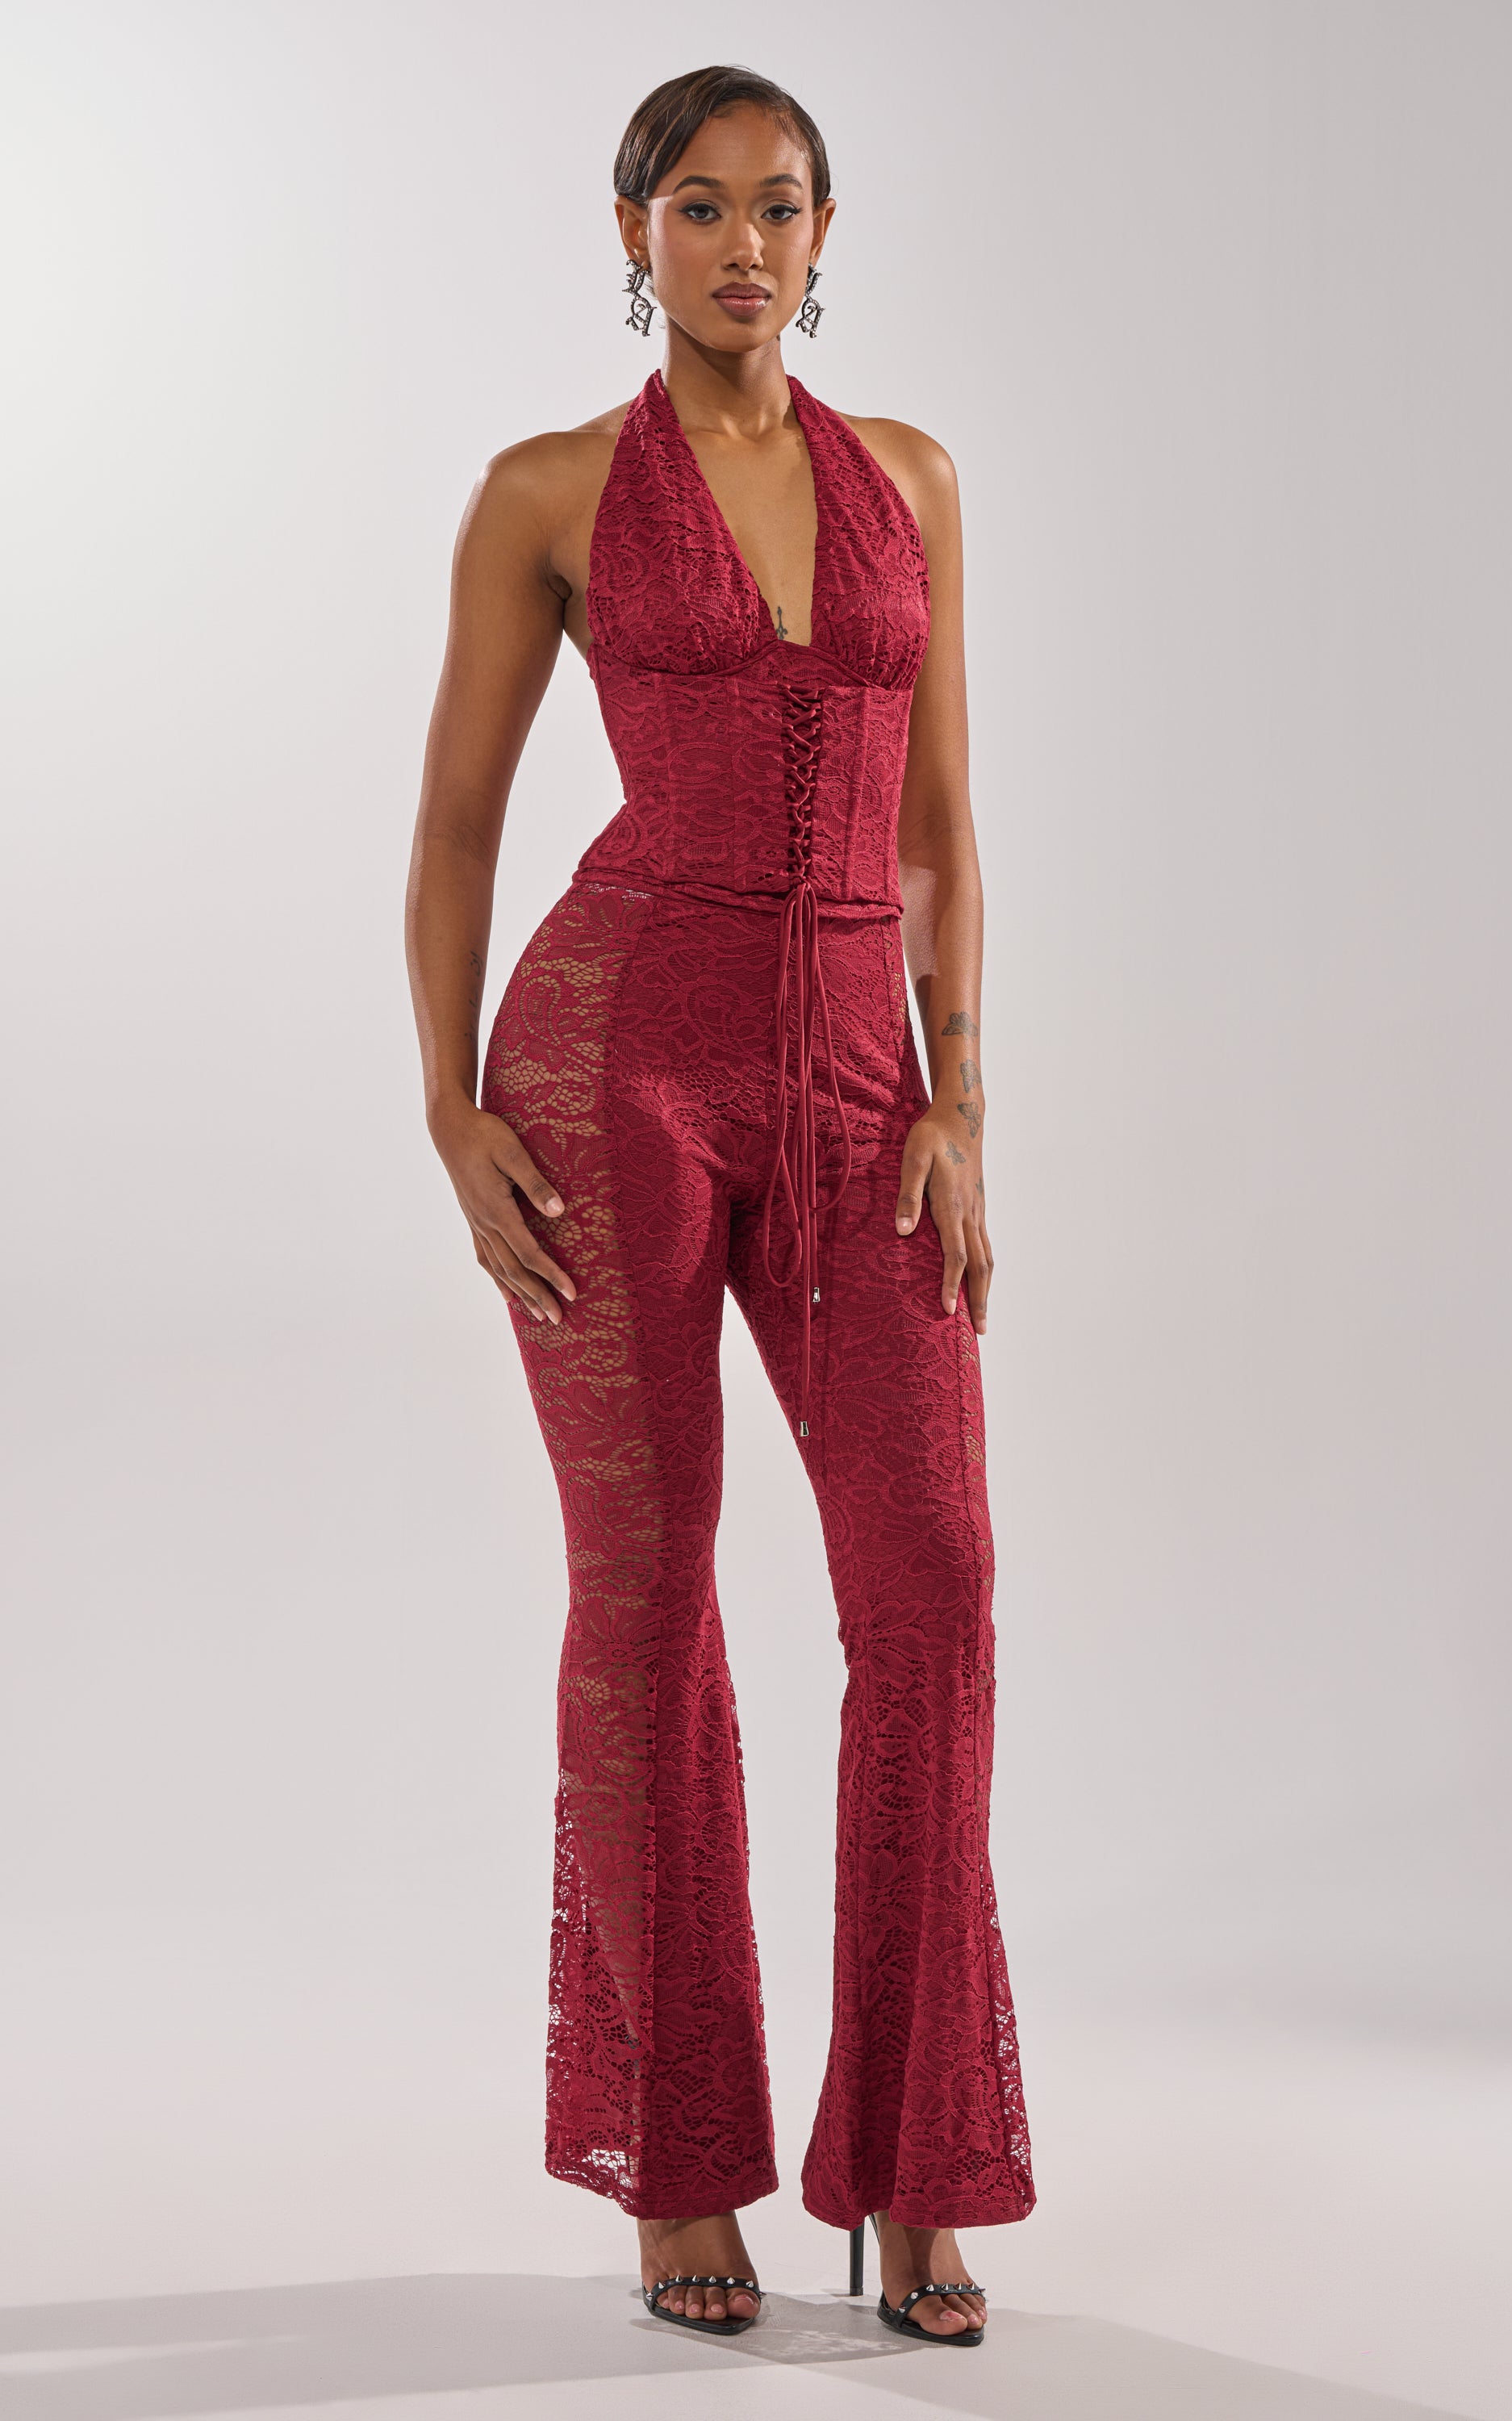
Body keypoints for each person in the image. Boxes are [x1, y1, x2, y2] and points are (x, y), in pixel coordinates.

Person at [404, 63, 1034, 2345]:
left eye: (779, 208)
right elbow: (461, 827)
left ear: (828, 231)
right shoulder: (550, 494)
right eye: (699, 207)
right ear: (632, 233)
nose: (741, 245)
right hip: (616, 1067)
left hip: (870, 1076)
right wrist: (452, 1114)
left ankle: (913, 2164)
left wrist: (964, 1102)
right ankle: (682, 2164)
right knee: (650, 1592)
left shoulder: (912, 486)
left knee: (935, 1588)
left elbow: (944, 834)